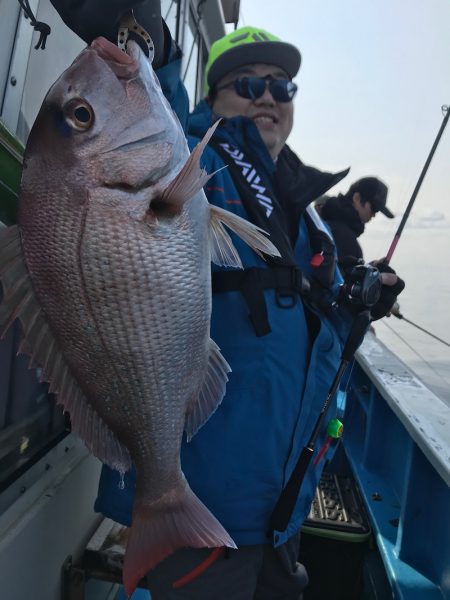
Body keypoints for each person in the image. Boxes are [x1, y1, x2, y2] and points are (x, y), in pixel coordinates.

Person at [49, 2, 405, 598]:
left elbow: (317, 331)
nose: (268, 96)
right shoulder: (199, 162)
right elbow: (153, 120)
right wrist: (149, 45)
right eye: (248, 84)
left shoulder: (308, 218)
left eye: (281, 85)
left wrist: (359, 303)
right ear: (212, 99)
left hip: (283, 508)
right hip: (205, 514)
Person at [320, 177, 395, 267]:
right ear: (357, 198)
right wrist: (380, 278)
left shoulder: (324, 222)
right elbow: (346, 279)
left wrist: (371, 267)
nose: (374, 215)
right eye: (374, 208)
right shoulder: (344, 237)